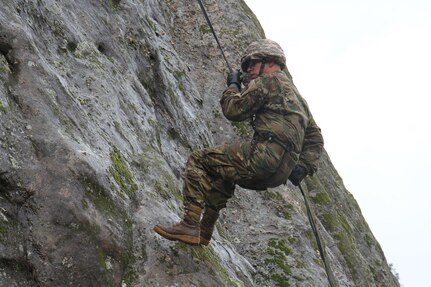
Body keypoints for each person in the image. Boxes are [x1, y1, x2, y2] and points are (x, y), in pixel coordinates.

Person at [153, 39, 324, 245]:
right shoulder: (298, 98)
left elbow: (233, 110)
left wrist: (232, 86)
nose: (249, 69)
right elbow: (315, 137)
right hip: (280, 172)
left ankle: (190, 224)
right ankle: (204, 232)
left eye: (252, 63)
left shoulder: (267, 82)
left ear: (269, 61)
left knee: (199, 160)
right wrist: (304, 166)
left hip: (263, 157)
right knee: (224, 172)